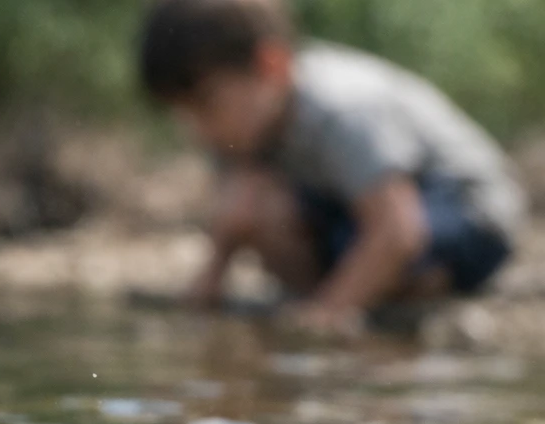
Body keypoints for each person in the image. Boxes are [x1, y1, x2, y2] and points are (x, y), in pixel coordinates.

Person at [139, 0, 526, 336]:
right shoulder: (242, 123)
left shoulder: (342, 108)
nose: (194, 128)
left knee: (355, 246)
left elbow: (398, 230)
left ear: (269, 65)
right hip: (359, 211)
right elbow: (238, 211)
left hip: (468, 208)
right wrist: (210, 278)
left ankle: (366, 296)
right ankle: (347, 292)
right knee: (258, 209)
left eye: (205, 104)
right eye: (182, 112)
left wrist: (325, 314)